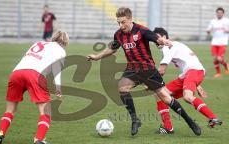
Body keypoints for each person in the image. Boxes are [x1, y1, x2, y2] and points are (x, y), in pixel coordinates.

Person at [87, 7, 201, 136]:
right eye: (118, 22)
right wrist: (97, 56)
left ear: (130, 19)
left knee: (165, 98)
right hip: (132, 69)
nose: (121, 25)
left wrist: (164, 41)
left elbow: (157, 39)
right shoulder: (118, 34)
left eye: (123, 22)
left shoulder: (142, 30)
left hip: (148, 70)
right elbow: (113, 49)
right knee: (122, 88)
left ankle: (190, 122)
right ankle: (135, 120)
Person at [0, 30, 69, 144]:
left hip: (16, 73)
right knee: (46, 111)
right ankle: (39, 139)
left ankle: (0, 134)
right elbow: (57, 70)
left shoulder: (38, 43)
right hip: (35, 75)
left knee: (10, 109)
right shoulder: (61, 50)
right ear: (65, 42)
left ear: (53, 38)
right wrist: (58, 87)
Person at [152, 27, 222, 134]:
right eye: (154, 39)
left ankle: (213, 117)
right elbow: (188, 61)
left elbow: (161, 71)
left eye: (157, 38)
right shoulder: (175, 45)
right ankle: (168, 128)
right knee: (160, 94)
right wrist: (196, 84)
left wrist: (147, 80)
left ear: (165, 37)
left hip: (193, 72)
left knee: (187, 97)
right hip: (190, 73)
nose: (156, 41)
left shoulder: (168, 47)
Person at [207, 7, 229, 78]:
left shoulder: (227, 21)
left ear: (223, 13)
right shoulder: (213, 21)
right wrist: (208, 31)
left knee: (219, 58)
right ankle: (218, 73)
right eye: (218, 13)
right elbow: (209, 29)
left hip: (223, 42)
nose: (219, 14)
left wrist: (227, 31)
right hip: (214, 42)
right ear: (216, 13)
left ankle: (226, 66)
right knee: (215, 58)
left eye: (220, 13)